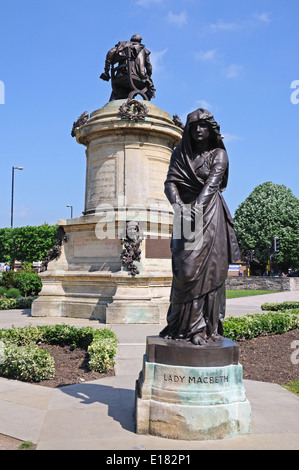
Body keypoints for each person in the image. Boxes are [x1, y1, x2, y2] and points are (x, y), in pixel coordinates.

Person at [160, 108, 240, 345]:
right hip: (185, 216)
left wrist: (195, 208)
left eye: (203, 126)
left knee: (206, 272)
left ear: (211, 129)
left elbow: (212, 185)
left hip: (210, 216)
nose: (198, 130)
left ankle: (200, 328)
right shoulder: (180, 153)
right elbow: (170, 183)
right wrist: (179, 207)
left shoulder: (219, 155)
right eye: (194, 126)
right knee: (185, 272)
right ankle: (180, 326)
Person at [100, 34, 155, 101]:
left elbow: (110, 53)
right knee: (149, 86)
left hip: (120, 76)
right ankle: (147, 106)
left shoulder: (123, 45)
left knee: (119, 91)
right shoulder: (143, 50)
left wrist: (106, 71)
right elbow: (149, 67)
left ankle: (113, 101)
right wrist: (148, 76)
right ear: (140, 41)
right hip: (137, 78)